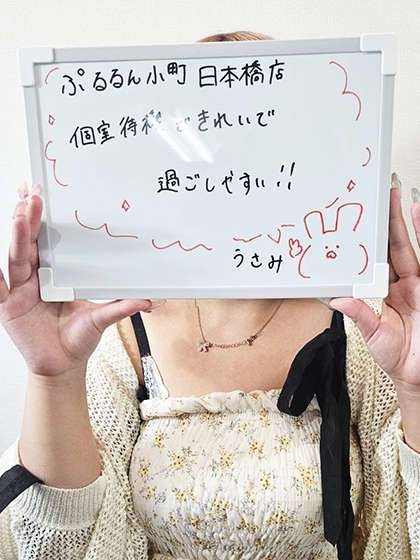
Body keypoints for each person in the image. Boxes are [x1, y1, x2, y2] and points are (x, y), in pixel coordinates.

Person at [0, 30, 419, 560]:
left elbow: (401, 526)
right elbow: (61, 546)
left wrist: (416, 389)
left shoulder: (361, 327)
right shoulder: (123, 331)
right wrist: (52, 377)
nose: (229, 171)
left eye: (258, 133)